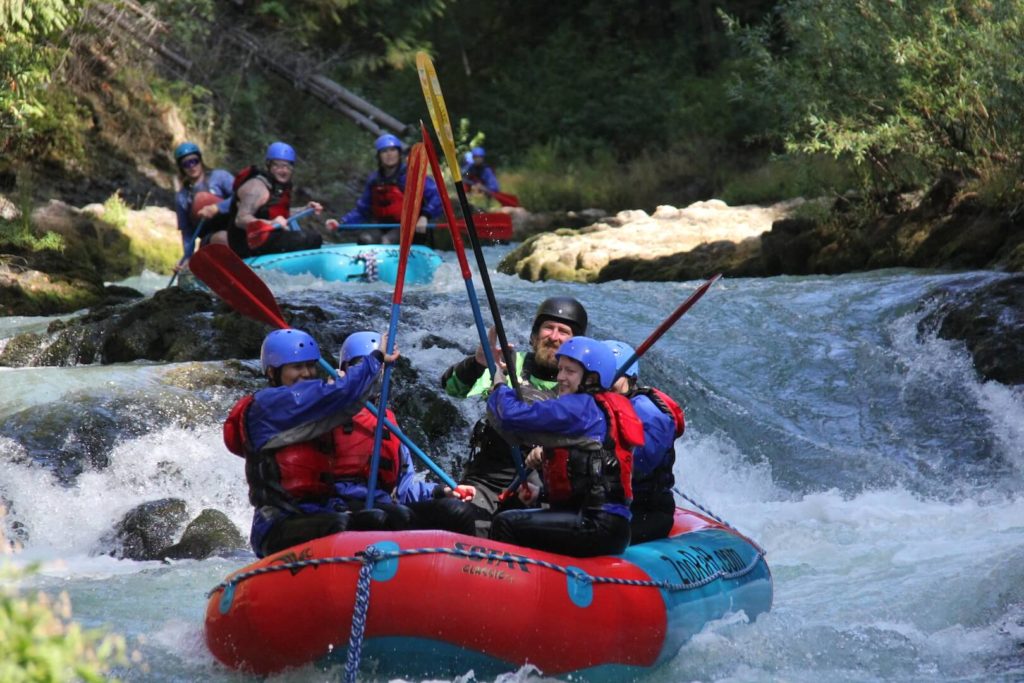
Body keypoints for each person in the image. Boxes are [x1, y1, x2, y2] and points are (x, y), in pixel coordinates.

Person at [222, 328, 394, 558]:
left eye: (310, 365)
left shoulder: (308, 410)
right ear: (272, 372)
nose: (306, 373)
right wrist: (375, 359)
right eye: (297, 367)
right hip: (277, 524)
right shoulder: (266, 406)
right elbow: (341, 393)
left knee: (385, 517)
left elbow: (347, 400)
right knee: (343, 525)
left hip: (318, 512)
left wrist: (363, 378)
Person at [486, 337, 645, 557]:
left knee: (505, 523)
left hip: (594, 524)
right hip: (608, 525)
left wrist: (499, 385)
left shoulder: (580, 408)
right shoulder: (600, 408)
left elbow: (510, 417)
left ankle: (499, 578)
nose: (560, 377)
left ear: (591, 378)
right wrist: (541, 494)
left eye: (570, 371)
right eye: (560, 369)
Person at [439, 297, 588, 531]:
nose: (554, 336)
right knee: (455, 515)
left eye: (563, 331)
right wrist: (477, 364)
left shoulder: (581, 384)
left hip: (540, 488)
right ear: (534, 336)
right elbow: (452, 388)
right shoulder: (509, 364)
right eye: (548, 328)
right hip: (488, 479)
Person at [331, 331, 478, 535]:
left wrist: (442, 491)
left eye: (380, 367)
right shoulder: (324, 411)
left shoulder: (388, 423)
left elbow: (404, 490)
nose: (372, 373)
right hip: (339, 508)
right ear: (343, 370)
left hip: (384, 508)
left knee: (457, 512)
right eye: (360, 365)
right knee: (395, 516)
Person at [604, 340, 685, 544]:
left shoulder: (648, 412)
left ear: (631, 379)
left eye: (612, 374)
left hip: (644, 511)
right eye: (599, 373)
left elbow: (639, 465)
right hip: (604, 504)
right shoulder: (596, 405)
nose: (604, 381)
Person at [326, 134, 442, 246]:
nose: (389, 154)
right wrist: (341, 223)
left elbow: (438, 195)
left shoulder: (412, 175)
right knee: (365, 240)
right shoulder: (374, 180)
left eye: (393, 150)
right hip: (382, 225)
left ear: (399, 153)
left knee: (386, 241)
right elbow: (362, 210)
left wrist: (425, 216)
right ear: (379, 156)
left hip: (410, 226)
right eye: (384, 151)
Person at [227, 141, 323, 258]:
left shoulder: (277, 187)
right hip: (247, 244)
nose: (284, 171)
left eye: (287, 166)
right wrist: (271, 223)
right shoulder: (256, 187)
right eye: (278, 166)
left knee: (312, 238)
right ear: (269, 166)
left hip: (267, 238)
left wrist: (305, 209)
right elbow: (241, 219)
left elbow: (278, 214)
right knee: (311, 238)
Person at [172, 142, 234, 271]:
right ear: (181, 168)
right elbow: (187, 232)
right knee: (222, 237)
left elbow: (240, 197)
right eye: (186, 164)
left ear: (200, 160)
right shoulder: (182, 197)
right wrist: (188, 257)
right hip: (209, 235)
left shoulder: (220, 177)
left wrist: (218, 207)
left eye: (194, 161)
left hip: (233, 225)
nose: (192, 167)